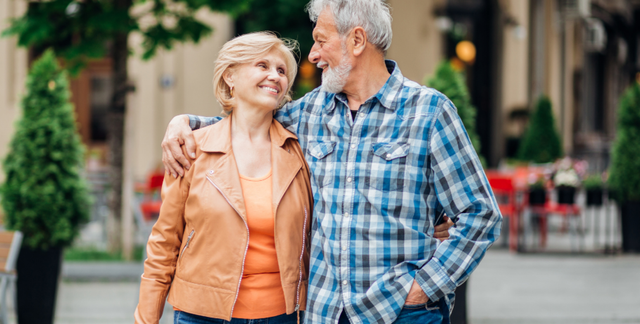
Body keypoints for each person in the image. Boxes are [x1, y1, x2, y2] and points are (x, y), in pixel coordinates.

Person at [162, 0, 502, 323]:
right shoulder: (310, 111)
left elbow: (480, 214)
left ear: (356, 40)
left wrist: (424, 287)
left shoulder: (429, 112)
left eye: (320, 41)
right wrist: (186, 124)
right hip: (323, 312)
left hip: (402, 312)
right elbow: (246, 123)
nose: (313, 55)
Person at [134, 32, 315, 324]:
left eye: (281, 71)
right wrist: (146, 319)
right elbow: (164, 244)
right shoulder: (192, 149)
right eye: (263, 65)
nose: (275, 76)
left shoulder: (299, 152)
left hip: (283, 315)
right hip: (203, 314)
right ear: (230, 76)